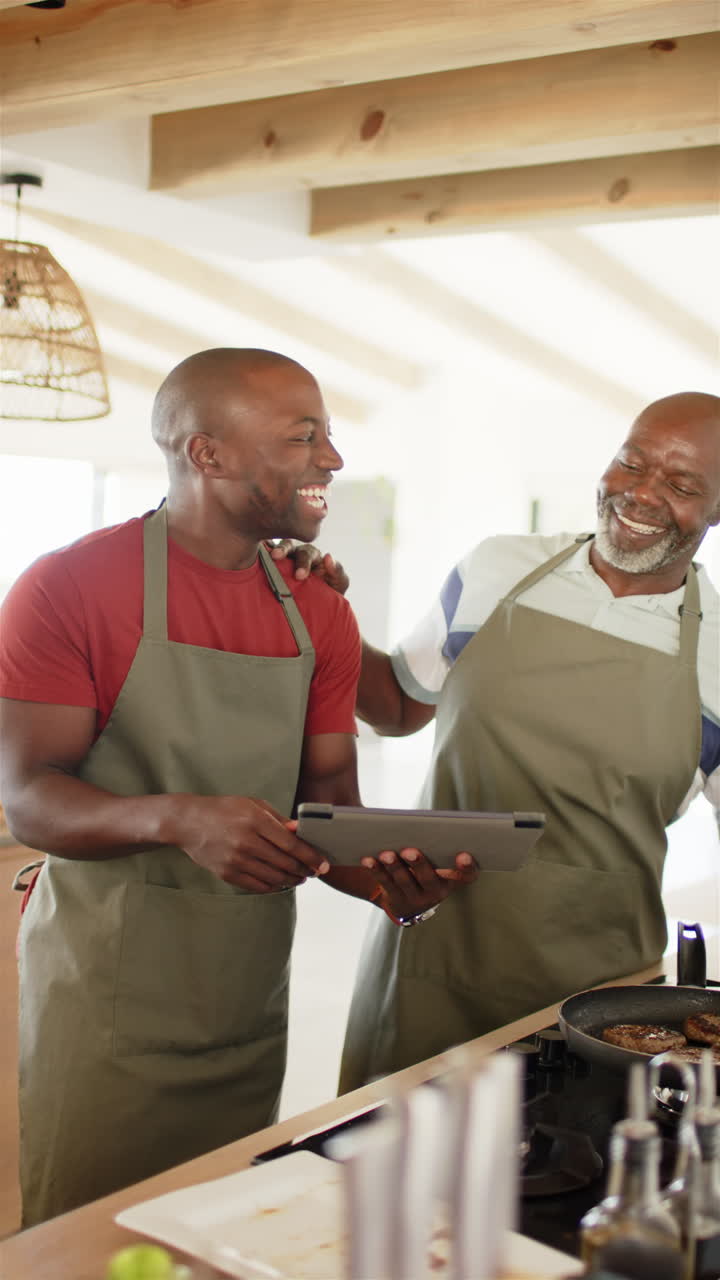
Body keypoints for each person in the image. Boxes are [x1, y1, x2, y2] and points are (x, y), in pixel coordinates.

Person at [0, 348, 475, 1225]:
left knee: (218, 1235)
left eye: (328, 436)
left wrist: (389, 879)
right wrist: (180, 818)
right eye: (304, 437)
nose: (331, 459)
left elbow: (329, 803)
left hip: (245, 1003)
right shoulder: (68, 587)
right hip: (104, 1011)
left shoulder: (319, 608)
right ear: (205, 455)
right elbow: (29, 796)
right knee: (88, 1247)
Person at [275, 390, 720, 1091]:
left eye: (683, 484)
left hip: (602, 1006)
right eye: (630, 463)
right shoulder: (497, 569)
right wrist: (323, 610)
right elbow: (397, 704)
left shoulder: (718, 653)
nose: (641, 494)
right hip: (428, 953)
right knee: (385, 1183)